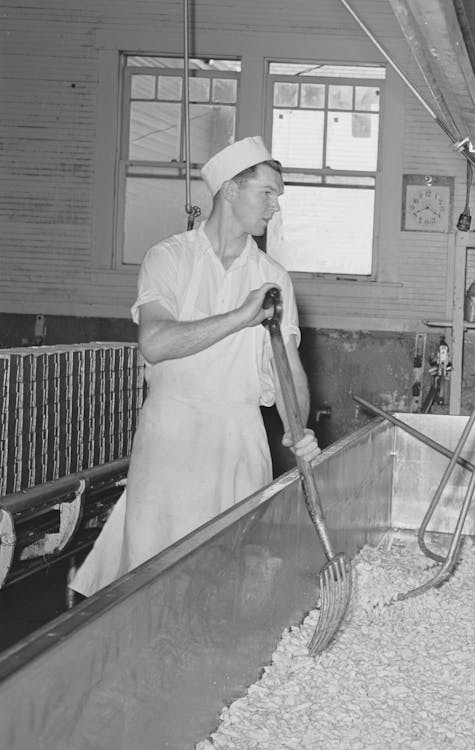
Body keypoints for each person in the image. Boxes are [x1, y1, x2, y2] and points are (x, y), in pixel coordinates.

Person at [70, 136, 320, 597]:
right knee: (150, 578)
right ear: (229, 190)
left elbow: (288, 369)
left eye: (277, 198)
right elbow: (156, 342)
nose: (274, 209)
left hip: (238, 439)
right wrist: (241, 317)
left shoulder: (273, 277)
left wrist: (297, 427)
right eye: (267, 193)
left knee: (226, 579)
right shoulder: (169, 258)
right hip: (170, 439)